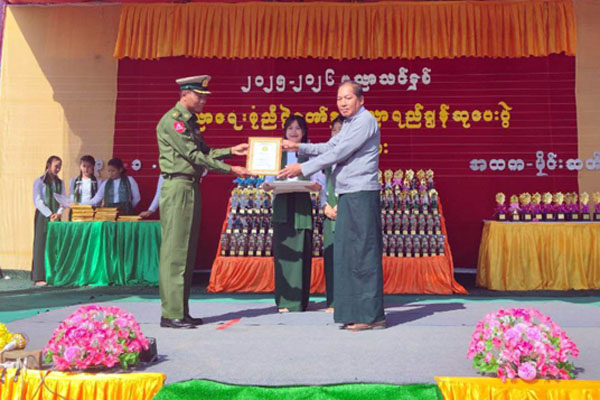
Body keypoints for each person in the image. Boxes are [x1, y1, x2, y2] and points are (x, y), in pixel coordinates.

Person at [279, 81, 385, 331]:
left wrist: (303, 167)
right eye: (339, 99)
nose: (343, 103)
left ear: (360, 100)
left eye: (348, 98)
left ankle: (371, 315)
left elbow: (339, 153)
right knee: (347, 254)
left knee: (363, 253)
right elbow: (330, 146)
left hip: (361, 193)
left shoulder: (365, 121)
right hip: (347, 193)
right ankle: (353, 311)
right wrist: (298, 146)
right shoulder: (348, 123)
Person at [157, 75, 251, 329]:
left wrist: (232, 151)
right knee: (175, 252)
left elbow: (204, 151)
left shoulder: (189, 121)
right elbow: (193, 155)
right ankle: (171, 313)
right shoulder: (174, 122)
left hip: (190, 186)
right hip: (178, 187)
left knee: (186, 251)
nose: (203, 101)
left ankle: (180, 310)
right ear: (184, 94)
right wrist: (231, 169)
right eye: (199, 96)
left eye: (204, 97)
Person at [263, 116, 323, 313]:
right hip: (282, 206)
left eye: (298, 128)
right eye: (290, 128)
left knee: (301, 255)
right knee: (283, 255)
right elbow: (268, 179)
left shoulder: (310, 154)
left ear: (304, 132)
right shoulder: (276, 154)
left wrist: (315, 186)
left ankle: (299, 301)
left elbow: (319, 180)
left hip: (302, 207)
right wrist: (266, 185)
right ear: (285, 132)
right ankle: (284, 301)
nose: (294, 132)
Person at [320, 116, 343, 312]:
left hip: (348, 212)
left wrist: (342, 206)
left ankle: (350, 301)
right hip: (329, 214)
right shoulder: (326, 159)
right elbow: (319, 186)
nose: (337, 134)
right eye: (334, 130)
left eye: (341, 130)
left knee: (349, 258)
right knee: (331, 257)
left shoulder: (355, 157)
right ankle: (334, 301)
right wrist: (324, 206)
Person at [32, 155, 66, 286]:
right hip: (43, 215)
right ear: (48, 165)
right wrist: (49, 214)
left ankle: (53, 274)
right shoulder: (39, 182)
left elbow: (63, 199)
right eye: (56, 166)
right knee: (41, 245)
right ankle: (39, 277)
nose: (58, 169)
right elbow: (38, 201)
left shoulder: (60, 183)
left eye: (59, 167)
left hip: (56, 216)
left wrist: (58, 213)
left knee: (55, 244)